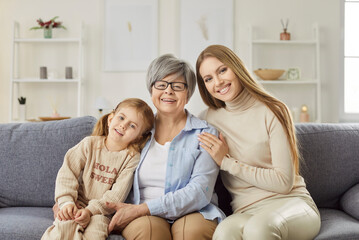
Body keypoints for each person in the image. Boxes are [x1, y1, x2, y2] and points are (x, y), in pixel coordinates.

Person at [196, 45, 321, 240]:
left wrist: (227, 162)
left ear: (237, 68)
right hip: (246, 211)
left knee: (258, 229)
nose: (218, 82)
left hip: (291, 203)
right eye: (208, 79)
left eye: (222, 70)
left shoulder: (273, 110)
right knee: (223, 233)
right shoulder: (207, 119)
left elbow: (283, 183)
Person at [105, 54, 226, 240]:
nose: (168, 91)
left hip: (194, 211)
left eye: (177, 86)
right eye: (161, 85)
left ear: (188, 93)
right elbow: (102, 166)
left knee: (190, 233)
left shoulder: (206, 132)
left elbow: (200, 191)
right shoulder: (135, 129)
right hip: (141, 212)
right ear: (151, 90)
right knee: (149, 233)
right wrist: (69, 201)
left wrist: (144, 209)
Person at [42, 98, 154, 240]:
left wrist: (89, 211)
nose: (123, 126)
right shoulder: (89, 144)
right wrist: (66, 202)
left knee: (97, 233)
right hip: (75, 204)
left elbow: (116, 196)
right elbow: (67, 173)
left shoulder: (131, 158)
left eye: (132, 126)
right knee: (64, 227)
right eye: (121, 118)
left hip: (101, 213)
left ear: (139, 137)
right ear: (110, 119)